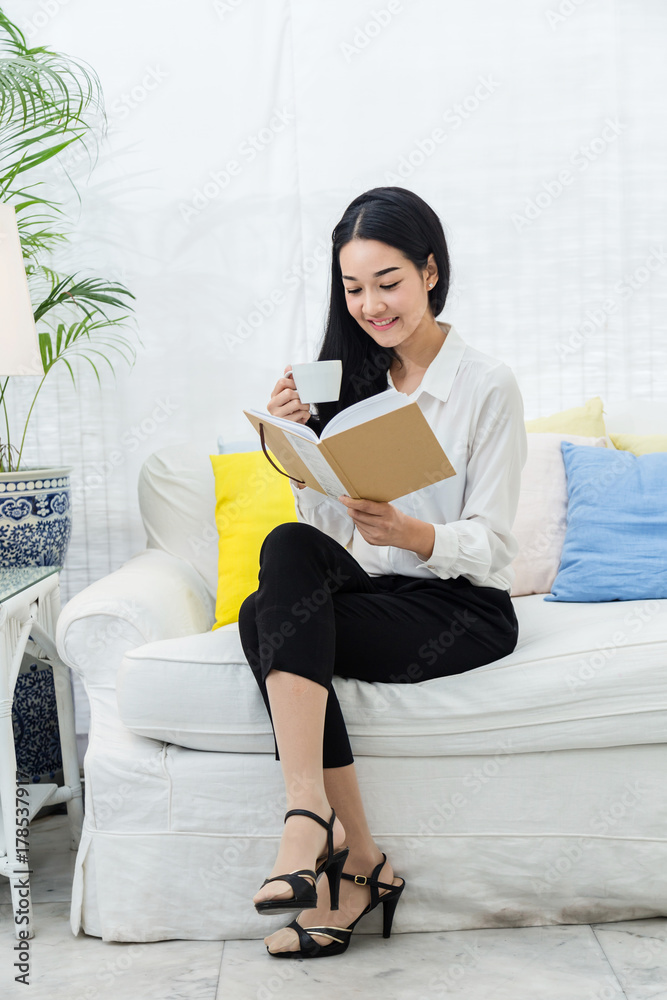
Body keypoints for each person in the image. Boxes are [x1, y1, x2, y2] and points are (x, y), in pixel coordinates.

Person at [237, 185, 527, 959]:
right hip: (382, 590)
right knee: (284, 558)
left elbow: (497, 547)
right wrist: (297, 453)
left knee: (261, 618)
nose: (370, 304)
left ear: (430, 271)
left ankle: (347, 856)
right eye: (353, 287)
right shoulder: (346, 381)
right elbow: (332, 535)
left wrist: (415, 532)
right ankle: (325, 826)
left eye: (388, 282)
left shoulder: (484, 384)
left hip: (462, 609)